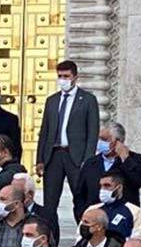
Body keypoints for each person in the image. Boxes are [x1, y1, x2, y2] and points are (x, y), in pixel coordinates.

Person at [35, 60, 99, 216]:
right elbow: (45, 131)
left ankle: (84, 234)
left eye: (66, 76)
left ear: (75, 77)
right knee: (49, 202)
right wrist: (40, 160)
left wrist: (88, 160)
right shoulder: (52, 100)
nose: (63, 80)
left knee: (81, 199)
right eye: (60, 76)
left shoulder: (88, 99)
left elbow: (92, 132)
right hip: (54, 156)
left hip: (76, 157)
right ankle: (50, 235)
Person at [74, 122, 141, 221]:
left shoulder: (135, 160)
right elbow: (80, 194)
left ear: (117, 141)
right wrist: (81, 216)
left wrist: (125, 158)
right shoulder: (90, 163)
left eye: (104, 139)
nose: (100, 142)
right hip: (94, 220)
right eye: (99, 138)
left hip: (122, 220)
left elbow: (139, 180)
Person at [90, 170, 138, 241]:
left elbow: (138, 241)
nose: (102, 190)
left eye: (107, 185)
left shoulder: (134, 211)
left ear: (119, 188)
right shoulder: (91, 210)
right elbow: (80, 238)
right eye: (101, 186)